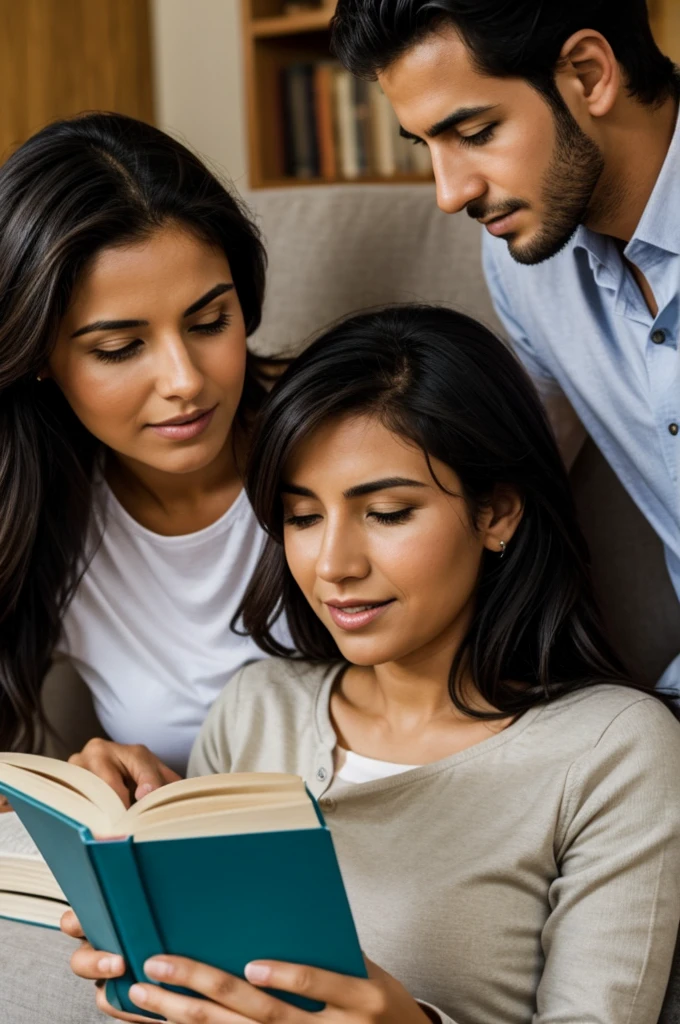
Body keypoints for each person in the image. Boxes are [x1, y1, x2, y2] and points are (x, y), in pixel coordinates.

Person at [66, 306, 680, 1024]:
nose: (333, 565)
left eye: (386, 512)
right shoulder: (256, 708)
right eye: (302, 517)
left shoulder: (614, 750)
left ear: (498, 513)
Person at [330, 0, 680, 695]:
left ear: (588, 73)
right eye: (425, 145)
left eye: (477, 132)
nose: (449, 193)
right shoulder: (526, 268)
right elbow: (492, 477)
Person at [0, 112, 282, 790]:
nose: (186, 381)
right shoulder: (36, 508)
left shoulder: (353, 442)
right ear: (40, 354)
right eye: (120, 349)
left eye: (211, 321)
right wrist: (78, 783)